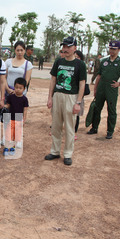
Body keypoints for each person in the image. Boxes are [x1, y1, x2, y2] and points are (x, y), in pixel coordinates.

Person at [45, 37, 86, 166]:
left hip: (71, 97)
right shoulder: (58, 61)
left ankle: (68, 154)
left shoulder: (80, 64)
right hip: (58, 95)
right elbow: (53, 80)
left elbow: (82, 84)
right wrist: (50, 97)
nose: (66, 49)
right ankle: (55, 151)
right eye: (64, 46)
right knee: (56, 125)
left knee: (69, 127)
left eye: (68, 47)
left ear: (75, 48)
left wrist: (78, 103)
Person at [88, 41, 120, 140]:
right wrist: (95, 88)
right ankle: (94, 127)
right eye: (110, 49)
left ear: (118, 50)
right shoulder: (104, 61)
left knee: (111, 110)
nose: (112, 51)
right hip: (101, 87)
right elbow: (99, 76)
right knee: (97, 108)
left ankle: (110, 131)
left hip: (112, 88)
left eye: (114, 49)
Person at [4, 77, 29, 155]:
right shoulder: (11, 97)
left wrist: (24, 119)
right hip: (11, 116)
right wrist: (3, 107)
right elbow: (8, 105)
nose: (18, 89)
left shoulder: (24, 99)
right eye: (16, 87)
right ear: (14, 87)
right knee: (9, 132)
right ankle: (6, 147)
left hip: (19, 117)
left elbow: (25, 109)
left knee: (16, 132)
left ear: (24, 89)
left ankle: (13, 147)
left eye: (20, 88)